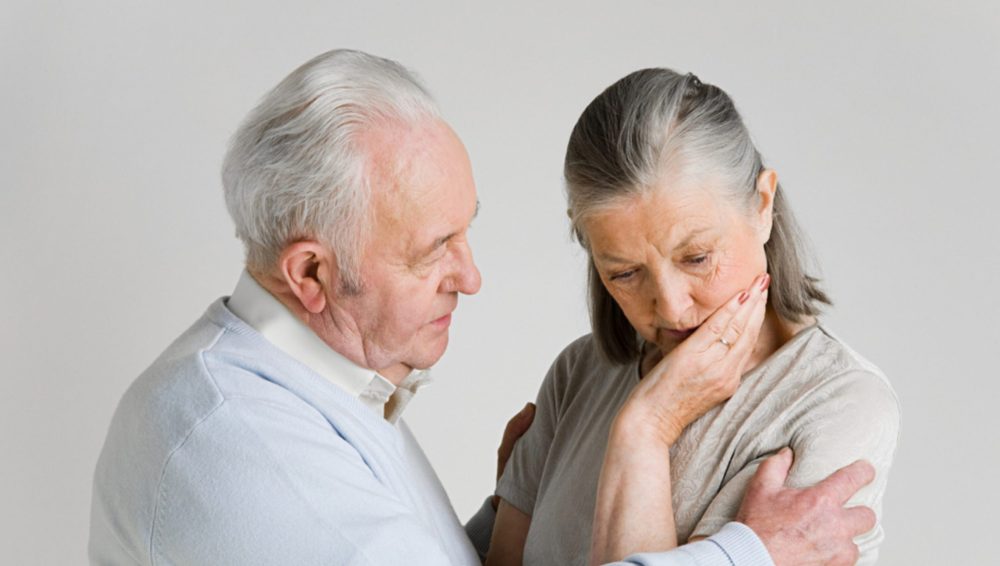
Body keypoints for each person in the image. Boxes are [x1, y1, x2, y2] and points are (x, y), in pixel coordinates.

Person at [88, 50, 879, 565]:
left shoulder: (321, 401)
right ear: (311, 275)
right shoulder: (247, 453)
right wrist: (748, 552)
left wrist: (508, 509)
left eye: (467, 232)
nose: (471, 278)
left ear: (763, 205)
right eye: (434, 248)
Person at [489, 68, 900, 566]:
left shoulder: (838, 402)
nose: (671, 307)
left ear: (762, 206)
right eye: (624, 273)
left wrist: (646, 428)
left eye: (698, 258)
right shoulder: (577, 375)